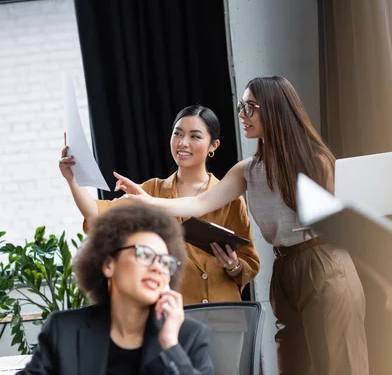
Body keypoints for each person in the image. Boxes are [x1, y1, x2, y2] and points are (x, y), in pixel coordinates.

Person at [119, 76, 369, 375]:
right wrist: (147, 200)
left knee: (339, 362)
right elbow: (199, 205)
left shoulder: (316, 161)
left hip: (323, 262)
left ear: (274, 109)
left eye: (250, 107)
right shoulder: (248, 169)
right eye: (241, 106)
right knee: (293, 363)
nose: (241, 115)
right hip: (285, 267)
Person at [59, 105, 260, 375]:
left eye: (195, 136)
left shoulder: (229, 198)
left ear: (213, 145)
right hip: (170, 318)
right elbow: (98, 215)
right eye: (177, 134)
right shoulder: (151, 191)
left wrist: (234, 266)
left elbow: (250, 262)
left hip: (224, 320)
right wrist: (72, 180)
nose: (183, 143)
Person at [18, 202, 213, 375]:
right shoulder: (64, 331)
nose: (157, 267)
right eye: (144, 254)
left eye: (165, 262)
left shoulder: (188, 337)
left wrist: (170, 346)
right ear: (108, 264)